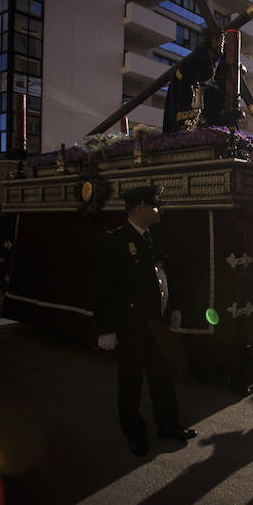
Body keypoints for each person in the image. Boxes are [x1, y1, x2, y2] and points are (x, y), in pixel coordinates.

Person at [93, 186, 197, 456]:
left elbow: (165, 275)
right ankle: (133, 431)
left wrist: (172, 308)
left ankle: (168, 424)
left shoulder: (156, 236)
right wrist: (105, 330)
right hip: (131, 325)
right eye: (155, 206)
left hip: (158, 323)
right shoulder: (115, 241)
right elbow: (103, 289)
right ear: (139, 209)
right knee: (131, 381)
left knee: (163, 376)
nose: (160, 210)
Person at [162, 27, 227, 133]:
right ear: (209, 40)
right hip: (187, 104)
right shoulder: (194, 60)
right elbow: (187, 89)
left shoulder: (215, 62)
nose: (221, 43)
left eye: (223, 40)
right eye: (217, 39)